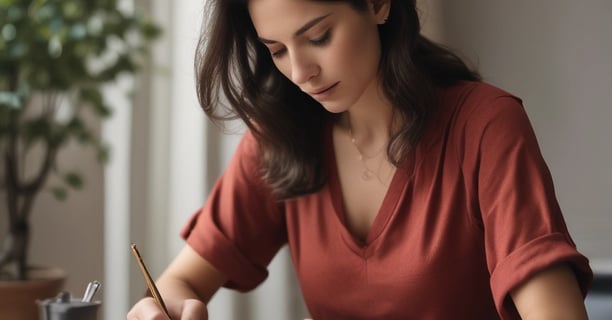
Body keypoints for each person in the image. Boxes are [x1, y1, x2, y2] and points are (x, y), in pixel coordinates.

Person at [127, 0, 593, 319]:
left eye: (319, 36)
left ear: (377, 3)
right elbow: (177, 284)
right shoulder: (283, 137)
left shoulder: (484, 126)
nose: (300, 71)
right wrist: (159, 306)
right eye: (277, 51)